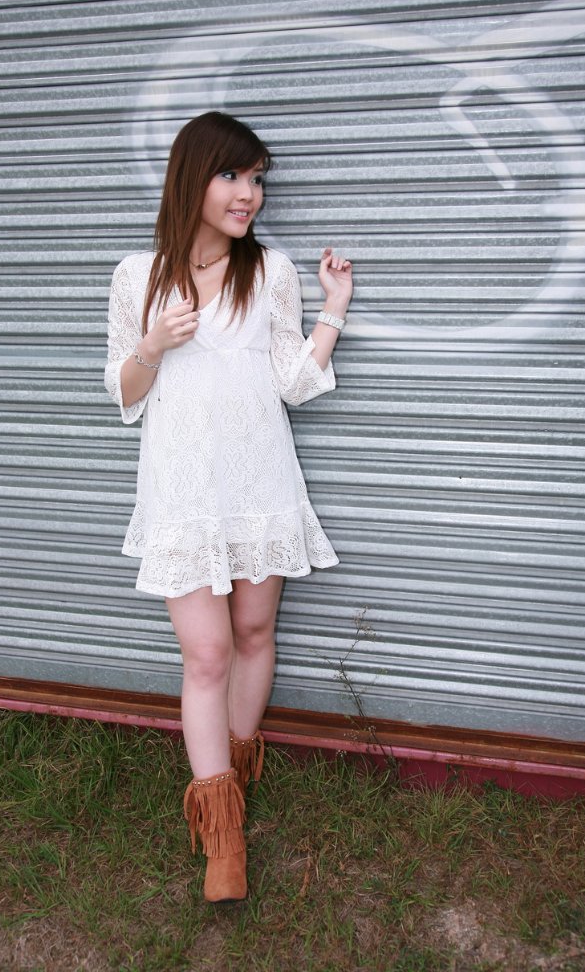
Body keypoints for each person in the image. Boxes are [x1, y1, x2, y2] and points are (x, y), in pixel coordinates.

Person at [104, 111, 352, 904]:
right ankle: (222, 836)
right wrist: (153, 345)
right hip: (183, 494)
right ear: (192, 177)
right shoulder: (138, 276)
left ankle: (236, 776)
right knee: (207, 654)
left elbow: (292, 382)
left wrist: (334, 308)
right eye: (232, 175)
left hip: (258, 487)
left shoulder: (269, 270)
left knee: (252, 634)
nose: (248, 194)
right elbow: (123, 393)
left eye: (257, 180)